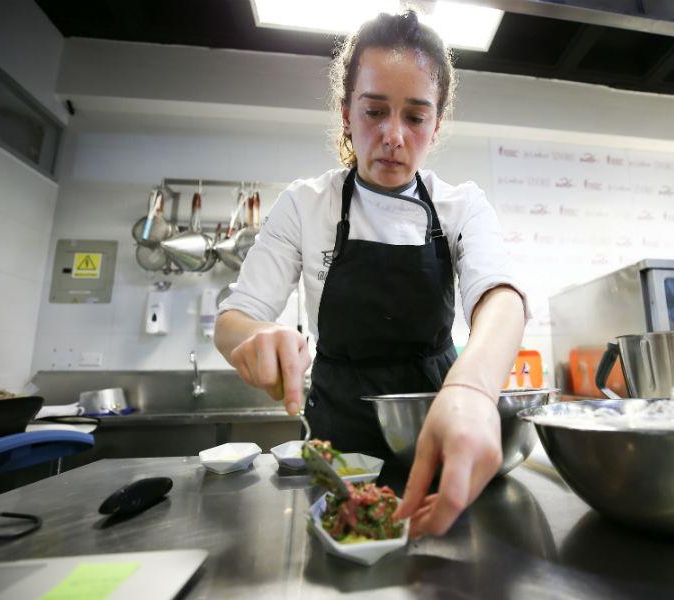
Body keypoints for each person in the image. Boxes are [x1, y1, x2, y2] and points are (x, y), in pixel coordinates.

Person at [215, 10, 527, 538]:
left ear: (438, 122)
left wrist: (474, 390)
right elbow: (233, 319)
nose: (393, 136)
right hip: (338, 446)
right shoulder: (305, 205)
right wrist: (254, 335)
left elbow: (500, 298)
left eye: (415, 117)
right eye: (374, 111)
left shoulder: (460, 206)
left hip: (440, 427)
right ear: (345, 113)